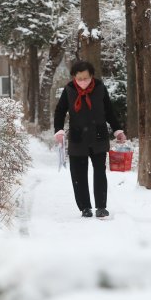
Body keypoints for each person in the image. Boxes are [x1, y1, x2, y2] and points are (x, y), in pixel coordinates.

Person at [54, 60, 126, 218]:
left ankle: (101, 206)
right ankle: (85, 207)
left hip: (98, 135)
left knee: (100, 172)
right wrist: (59, 130)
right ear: (74, 77)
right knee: (78, 174)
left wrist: (117, 131)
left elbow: (109, 111)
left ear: (92, 76)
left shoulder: (100, 88)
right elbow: (59, 111)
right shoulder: (69, 89)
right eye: (79, 78)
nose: (83, 82)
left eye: (86, 78)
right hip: (77, 136)